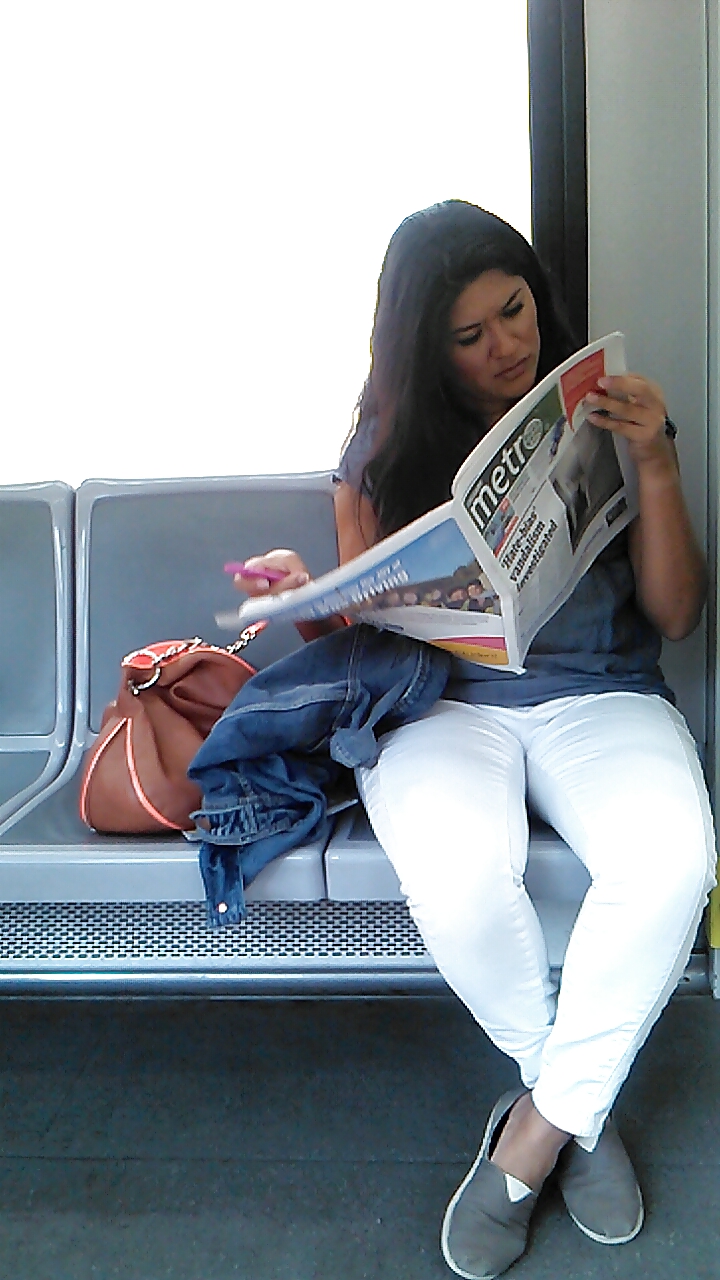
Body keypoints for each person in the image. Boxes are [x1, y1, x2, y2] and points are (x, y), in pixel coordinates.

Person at [234, 201, 715, 1279]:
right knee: (456, 874)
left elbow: (680, 615)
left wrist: (659, 466)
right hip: (443, 704)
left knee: (675, 859)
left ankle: (531, 1138)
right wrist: (307, 590)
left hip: (603, 694)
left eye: (518, 310)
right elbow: (359, 630)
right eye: (472, 334)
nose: (510, 344)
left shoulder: (607, 412)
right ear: (423, 346)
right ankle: (578, 1108)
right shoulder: (375, 456)